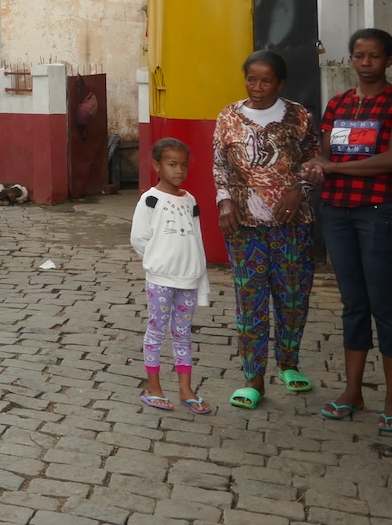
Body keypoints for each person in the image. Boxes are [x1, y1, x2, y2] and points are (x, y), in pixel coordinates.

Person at [313, 28, 392, 431]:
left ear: (389, 60)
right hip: (337, 213)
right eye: (359, 56)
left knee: (384, 304)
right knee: (354, 304)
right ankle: (352, 391)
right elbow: (324, 156)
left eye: (374, 56)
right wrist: (314, 167)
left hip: (379, 214)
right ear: (352, 59)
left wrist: (334, 168)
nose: (366, 63)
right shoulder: (338, 103)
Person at [213, 50, 319, 411]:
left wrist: (299, 188)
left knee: (292, 297)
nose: (257, 87)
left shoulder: (299, 116)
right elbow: (219, 165)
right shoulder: (229, 116)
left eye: (266, 80)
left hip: (293, 224)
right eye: (251, 79)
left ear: (280, 83)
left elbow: (314, 162)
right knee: (250, 299)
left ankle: (288, 363)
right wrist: (224, 201)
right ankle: (253, 376)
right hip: (244, 225)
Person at [130, 137, 212, 414]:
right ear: (157, 165)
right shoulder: (150, 200)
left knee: (182, 334)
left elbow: (197, 240)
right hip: (161, 279)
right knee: (156, 330)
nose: (179, 171)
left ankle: (185, 389)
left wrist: (200, 278)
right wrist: (158, 262)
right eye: (172, 164)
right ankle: (153, 387)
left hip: (188, 280)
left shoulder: (190, 200)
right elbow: (139, 238)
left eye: (184, 165)